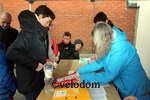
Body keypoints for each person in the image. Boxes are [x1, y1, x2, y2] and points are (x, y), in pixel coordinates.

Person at [77, 21, 148, 99]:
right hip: (125, 84)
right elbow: (100, 62)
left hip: (134, 88)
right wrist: (80, 71)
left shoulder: (121, 49)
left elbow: (109, 75)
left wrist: (83, 78)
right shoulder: (111, 42)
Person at [6, 5, 56, 100]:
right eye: (48, 22)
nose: (48, 25)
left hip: (35, 81)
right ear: (38, 17)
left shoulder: (36, 32)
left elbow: (33, 53)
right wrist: (35, 65)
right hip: (30, 84)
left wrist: (44, 63)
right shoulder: (29, 32)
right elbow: (11, 52)